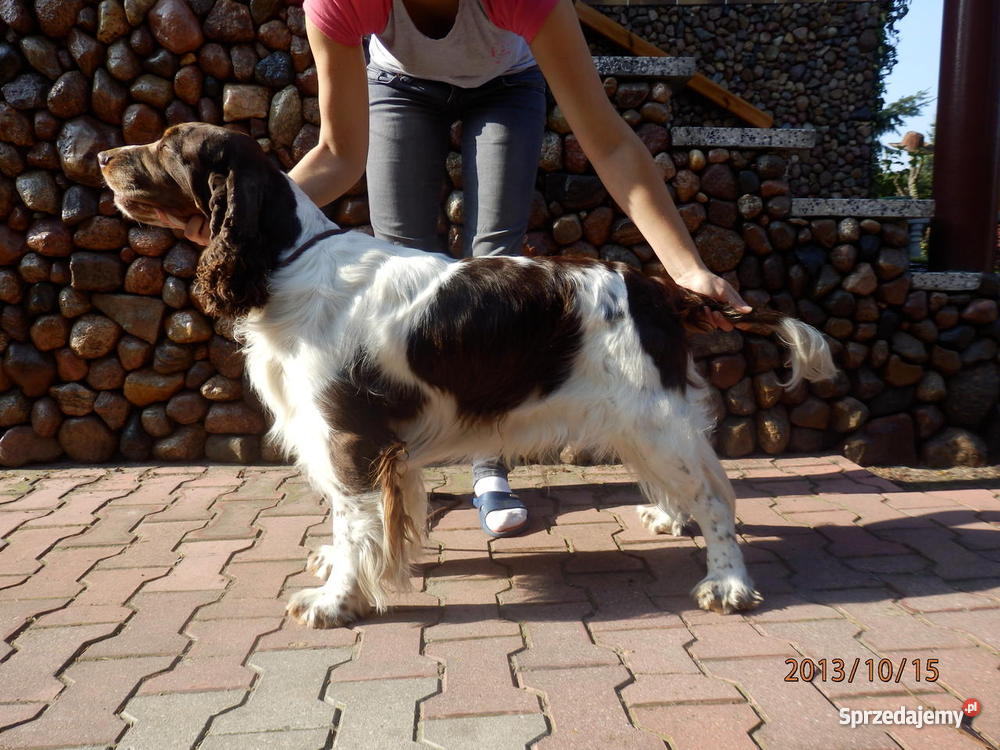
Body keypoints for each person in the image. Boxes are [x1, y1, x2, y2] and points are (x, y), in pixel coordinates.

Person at [185, 0, 750, 538]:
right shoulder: (339, 5)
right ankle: (395, 473)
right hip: (400, 87)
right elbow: (337, 155)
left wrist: (687, 268)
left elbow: (612, 146)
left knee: (495, 264)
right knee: (398, 263)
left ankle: (489, 466)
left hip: (506, 86)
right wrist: (240, 219)